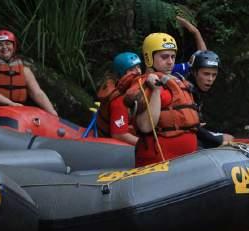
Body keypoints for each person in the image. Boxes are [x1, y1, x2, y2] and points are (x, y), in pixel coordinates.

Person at [124, 33, 200, 167]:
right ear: (149, 58)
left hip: (185, 161)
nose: (170, 61)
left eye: (173, 57)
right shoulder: (144, 84)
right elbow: (146, 126)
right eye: (164, 57)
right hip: (159, 162)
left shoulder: (176, 80)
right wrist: (155, 90)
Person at [0, 29, 58, 116]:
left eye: (8, 44)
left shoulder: (23, 68)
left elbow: (37, 93)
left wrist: (52, 112)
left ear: (14, 46)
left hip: (16, 110)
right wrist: (10, 103)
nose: (4, 47)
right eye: (0, 45)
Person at [187, 50, 234, 148]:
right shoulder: (186, 91)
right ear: (194, 72)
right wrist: (219, 138)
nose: (210, 79)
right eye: (206, 74)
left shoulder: (197, 90)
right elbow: (192, 128)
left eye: (214, 75)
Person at [96, 52, 142, 145]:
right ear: (121, 73)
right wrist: (145, 145)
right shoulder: (119, 100)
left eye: (138, 67)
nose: (138, 72)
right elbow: (119, 135)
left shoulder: (129, 91)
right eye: (131, 69)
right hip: (111, 144)